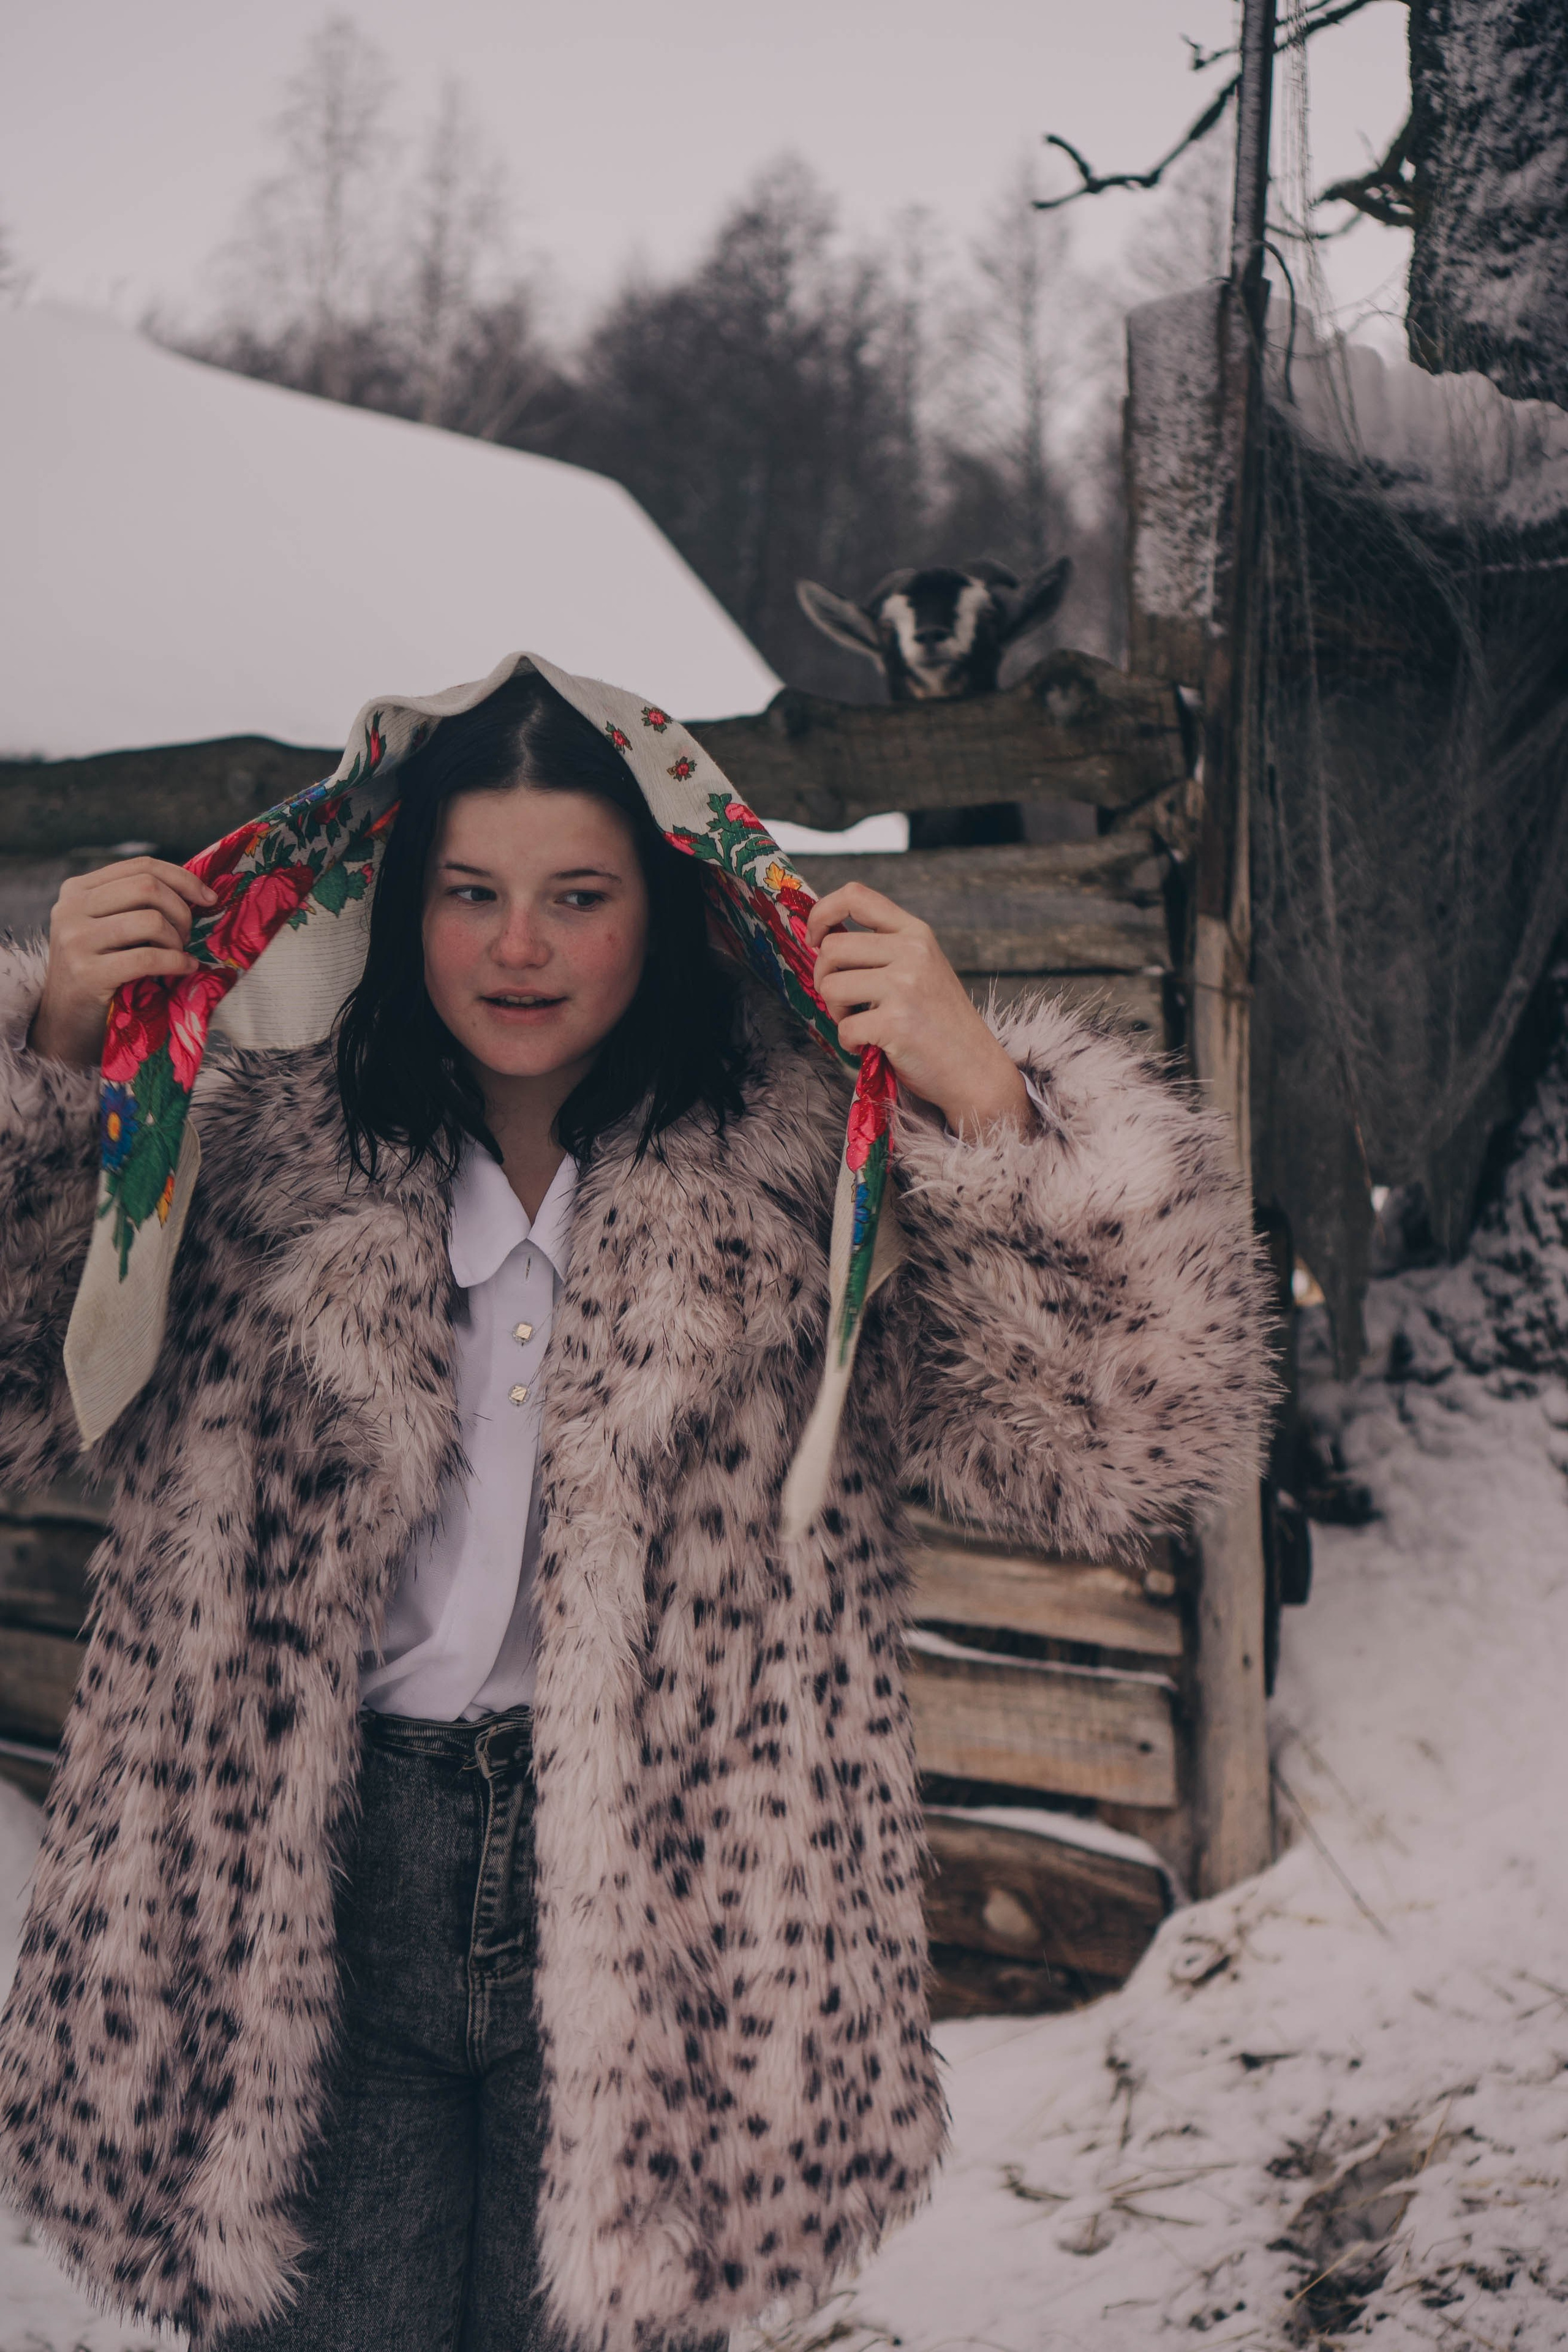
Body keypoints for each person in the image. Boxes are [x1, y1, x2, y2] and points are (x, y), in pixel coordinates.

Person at [0, 658, 1269, 2352]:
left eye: (577, 897)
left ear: (661, 909)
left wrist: (981, 1093)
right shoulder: (236, 1145)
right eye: (471, 894)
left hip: (674, 1905)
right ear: (403, 902)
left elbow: (1125, 1436)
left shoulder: (812, 1161)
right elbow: (23, 1380)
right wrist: (63, 1051)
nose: (518, 947)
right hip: (298, 1894)